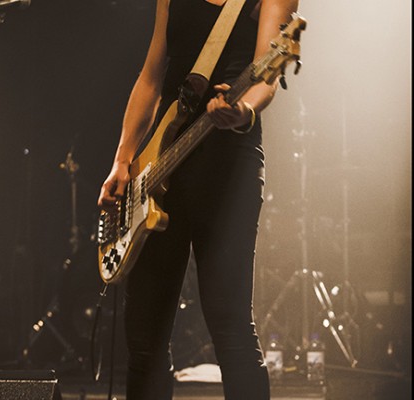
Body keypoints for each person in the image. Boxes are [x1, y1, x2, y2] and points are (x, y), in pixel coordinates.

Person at [97, 0, 300, 398]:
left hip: (228, 161)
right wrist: (122, 159)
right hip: (160, 164)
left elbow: (266, 75)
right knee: (144, 339)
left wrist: (243, 110)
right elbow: (151, 80)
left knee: (231, 326)